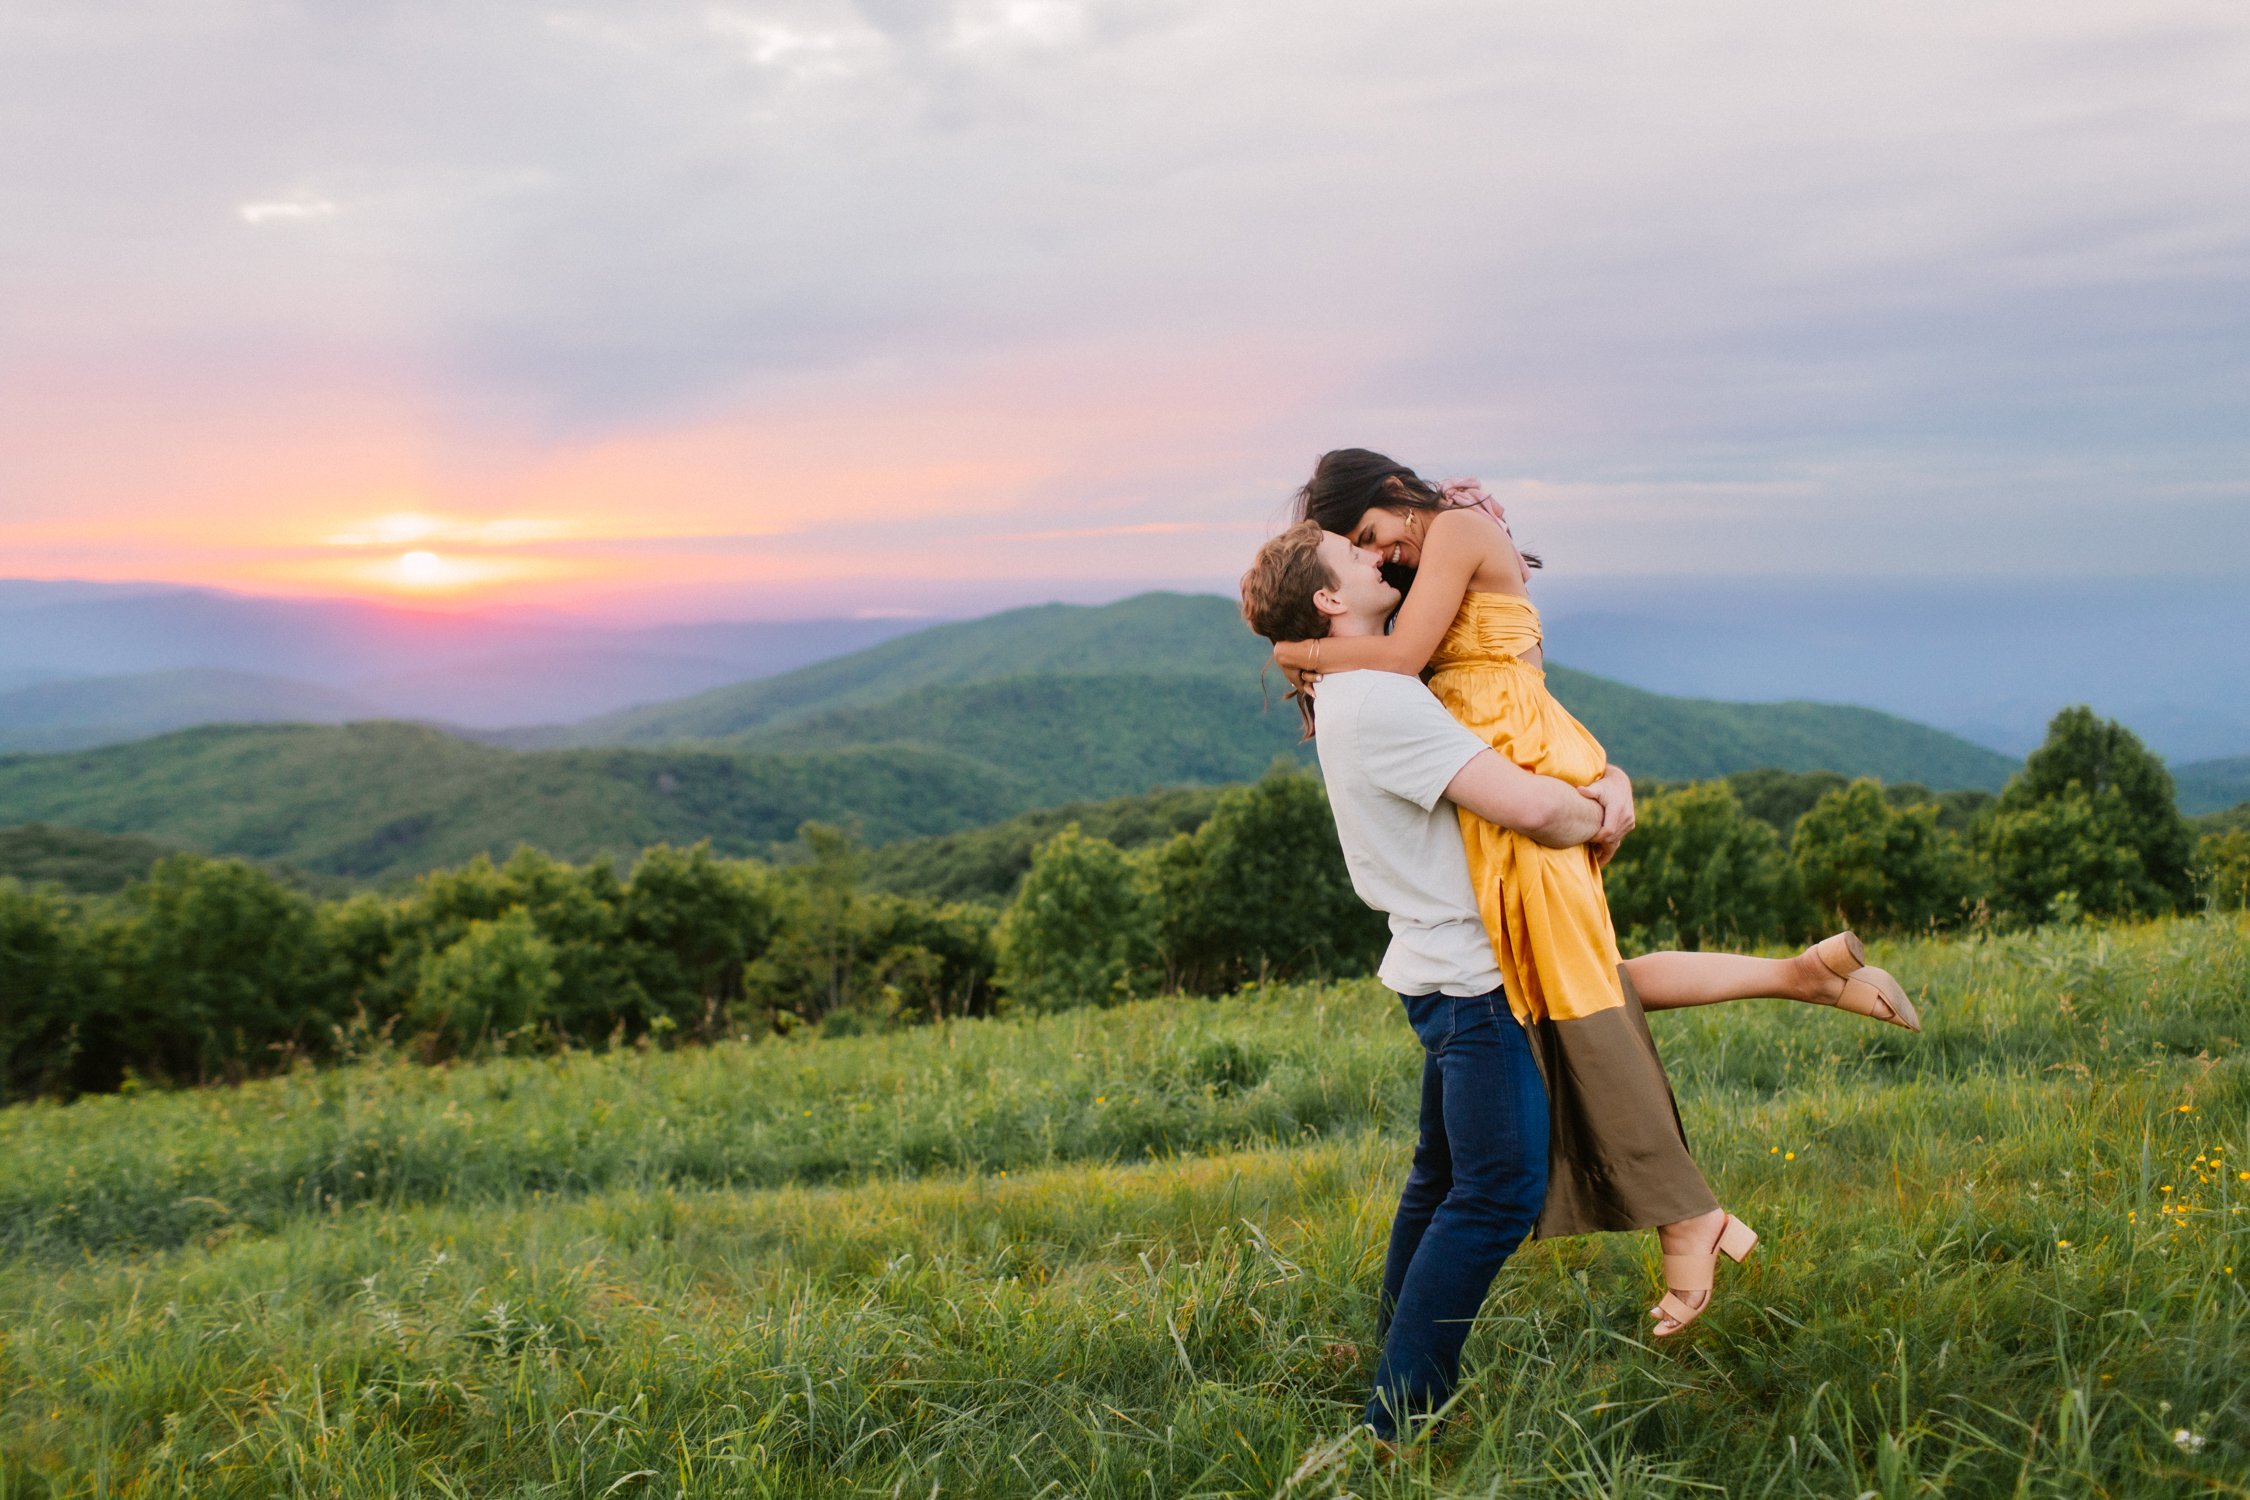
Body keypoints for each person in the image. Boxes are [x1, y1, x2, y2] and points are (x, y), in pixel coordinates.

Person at [1238, 522, 1916, 1437]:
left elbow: (1518, 722)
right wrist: (1599, 803)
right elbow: (1534, 808)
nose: (1379, 559)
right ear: (1328, 599)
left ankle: (1393, 1361)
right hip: (1478, 986)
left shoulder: (1371, 686)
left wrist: (1608, 773)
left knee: (1441, 1179)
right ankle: (1397, 1423)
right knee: (1496, 1192)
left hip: (1450, 970)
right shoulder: (1380, 700)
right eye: (1354, 554)